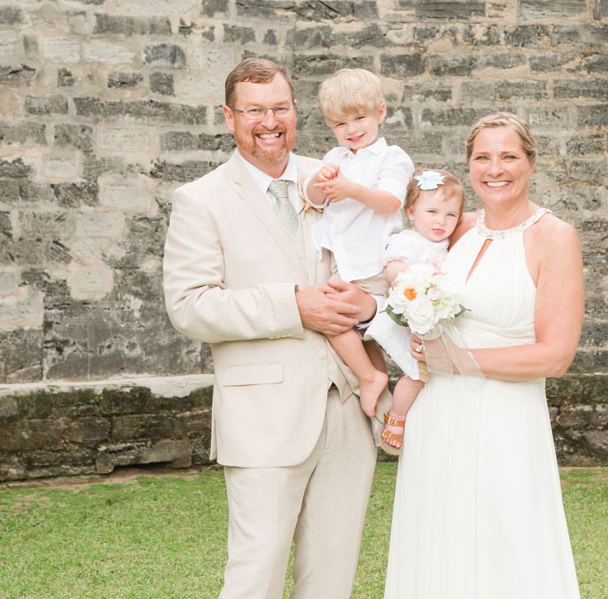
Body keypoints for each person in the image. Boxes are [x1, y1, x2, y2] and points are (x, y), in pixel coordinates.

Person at [162, 58, 381, 599]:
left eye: (280, 107)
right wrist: (292, 306)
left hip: (347, 410)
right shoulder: (202, 199)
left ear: (295, 110)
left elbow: (379, 269)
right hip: (263, 419)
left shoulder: (332, 179)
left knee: (331, 578)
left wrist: (370, 306)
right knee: (254, 576)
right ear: (229, 116)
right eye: (254, 110)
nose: (269, 120)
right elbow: (190, 306)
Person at [384, 112, 584, 599]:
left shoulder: (553, 237)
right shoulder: (458, 230)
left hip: (504, 417)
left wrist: (457, 360)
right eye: (483, 157)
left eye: (509, 156)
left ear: (531, 163)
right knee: (436, 541)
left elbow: (555, 357)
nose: (496, 169)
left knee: (507, 542)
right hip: (437, 415)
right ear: (469, 166)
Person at [303, 68, 415, 418]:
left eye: (359, 118)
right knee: (362, 335)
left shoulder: (392, 157)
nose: (351, 130)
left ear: (380, 113)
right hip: (341, 260)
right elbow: (314, 200)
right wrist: (316, 183)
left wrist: (350, 189)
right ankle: (377, 384)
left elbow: (391, 202)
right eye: (340, 124)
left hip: (372, 258)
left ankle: (369, 378)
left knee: (337, 321)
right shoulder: (334, 159)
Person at [365, 168, 465, 453]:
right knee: (417, 373)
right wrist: (419, 274)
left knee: (433, 373)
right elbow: (393, 269)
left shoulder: (446, 243)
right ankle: (396, 417)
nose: (440, 221)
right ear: (411, 212)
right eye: (431, 211)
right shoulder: (409, 240)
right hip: (409, 317)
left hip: (434, 317)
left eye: (450, 215)